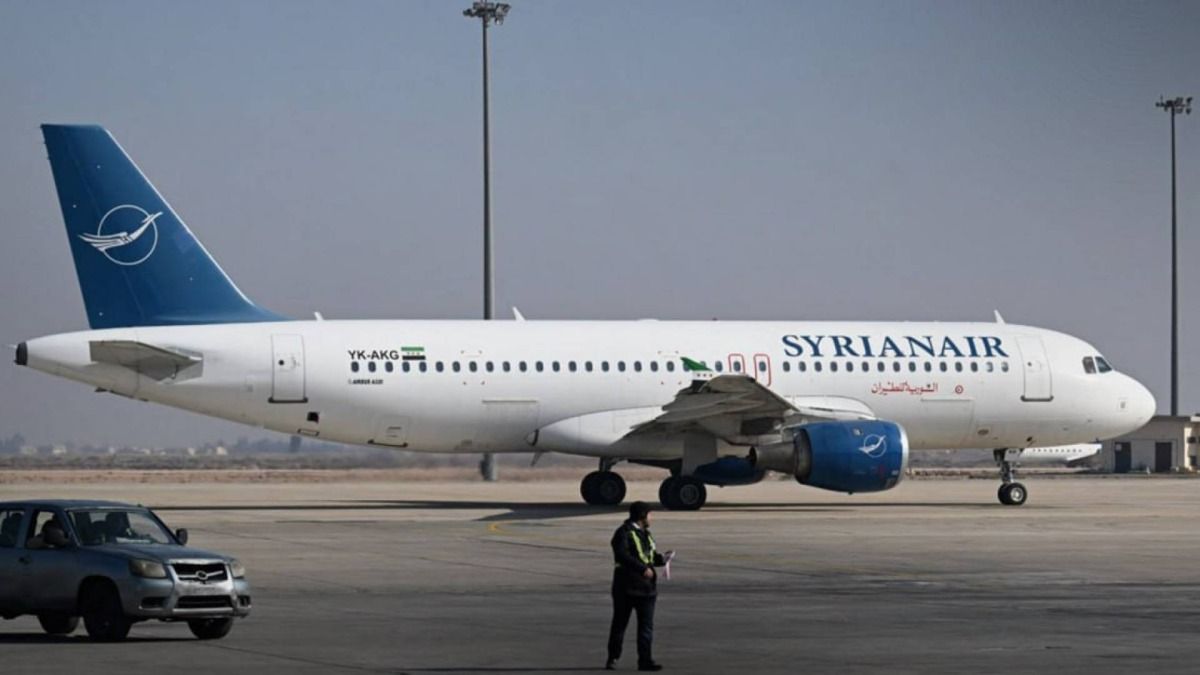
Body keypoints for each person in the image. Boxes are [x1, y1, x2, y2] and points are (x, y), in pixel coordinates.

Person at [607, 501, 670, 671]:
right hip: (626, 587)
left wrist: (662, 559)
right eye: (650, 514)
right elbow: (621, 555)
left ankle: (645, 660)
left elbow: (648, 556)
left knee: (646, 628)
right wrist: (642, 569)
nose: (652, 518)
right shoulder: (623, 533)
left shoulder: (645, 534)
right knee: (620, 624)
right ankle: (613, 657)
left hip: (646, 589)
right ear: (643, 516)